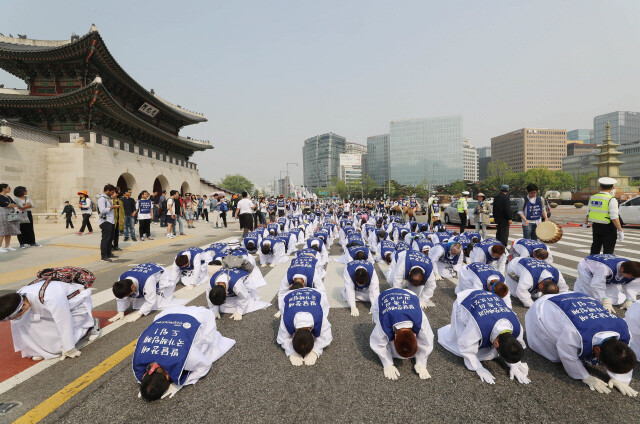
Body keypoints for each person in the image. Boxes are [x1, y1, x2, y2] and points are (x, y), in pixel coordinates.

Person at [525, 292, 637, 396]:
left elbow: (623, 354)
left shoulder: (624, 331)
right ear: (597, 350)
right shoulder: (575, 333)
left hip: (577, 297)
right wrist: (585, 376)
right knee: (555, 356)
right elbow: (567, 355)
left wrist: (620, 378)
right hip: (546, 306)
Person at [133, 306, 235, 401]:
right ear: (145, 374)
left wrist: (181, 383)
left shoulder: (186, 358)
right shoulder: (139, 356)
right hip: (167, 314)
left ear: (168, 378)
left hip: (199, 316)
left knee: (206, 346)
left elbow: (205, 365)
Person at [438, 289, 530, 384]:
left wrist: (514, 366)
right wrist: (478, 367)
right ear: (496, 343)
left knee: (492, 351)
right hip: (466, 300)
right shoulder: (478, 326)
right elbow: (465, 346)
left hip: (489, 298)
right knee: (461, 342)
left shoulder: (517, 327)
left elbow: (514, 346)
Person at [0, 279, 99, 360]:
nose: (14, 319)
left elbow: (64, 321)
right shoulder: (19, 298)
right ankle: (37, 350)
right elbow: (18, 325)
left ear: (24, 305)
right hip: (50, 310)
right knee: (23, 322)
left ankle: (90, 324)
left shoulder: (50, 297)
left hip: (75, 306)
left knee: (62, 341)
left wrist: (69, 348)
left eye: (15, 316)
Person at [369, 288, 434, 380]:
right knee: (383, 336)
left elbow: (428, 339)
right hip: (383, 297)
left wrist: (421, 363)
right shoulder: (384, 322)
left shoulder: (420, 318)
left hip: (409, 294)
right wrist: (387, 364)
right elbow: (377, 343)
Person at [277, 284, 332, 366]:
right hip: (290, 294)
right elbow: (282, 338)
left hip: (316, 293)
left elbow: (327, 337)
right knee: (284, 308)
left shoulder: (320, 316)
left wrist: (315, 352)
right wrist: (291, 352)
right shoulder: (286, 318)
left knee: (324, 310)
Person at [109, 262, 182, 323]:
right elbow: (121, 298)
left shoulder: (148, 281)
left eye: (129, 294)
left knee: (159, 304)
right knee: (138, 305)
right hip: (143, 273)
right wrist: (121, 311)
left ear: (133, 286)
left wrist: (139, 313)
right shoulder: (121, 279)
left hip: (162, 276)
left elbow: (151, 301)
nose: (130, 296)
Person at [573, 254, 640, 312]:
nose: (630, 278)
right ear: (622, 269)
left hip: (605, 273)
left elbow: (632, 285)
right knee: (591, 296)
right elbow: (596, 285)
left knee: (616, 299)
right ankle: (581, 283)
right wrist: (604, 300)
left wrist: (629, 299)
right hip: (587, 268)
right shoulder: (605, 268)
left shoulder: (634, 271)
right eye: (630, 276)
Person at [586, 177, 624, 254]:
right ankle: (606, 265)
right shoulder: (611, 199)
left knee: (595, 247)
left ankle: (592, 264)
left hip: (596, 226)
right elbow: (614, 218)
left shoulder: (593, 197)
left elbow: (588, 213)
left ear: (600, 187)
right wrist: (620, 230)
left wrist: (585, 223)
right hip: (608, 227)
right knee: (608, 250)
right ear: (613, 188)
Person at [98, 184, 119, 261]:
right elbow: (102, 210)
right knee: (105, 239)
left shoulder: (107, 198)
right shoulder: (102, 199)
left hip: (111, 221)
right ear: (107, 190)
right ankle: (104, 256)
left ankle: (109, 253)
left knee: (110, 238)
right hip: (105, 221)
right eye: (111, 192)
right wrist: (113, 207)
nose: (112, 193)